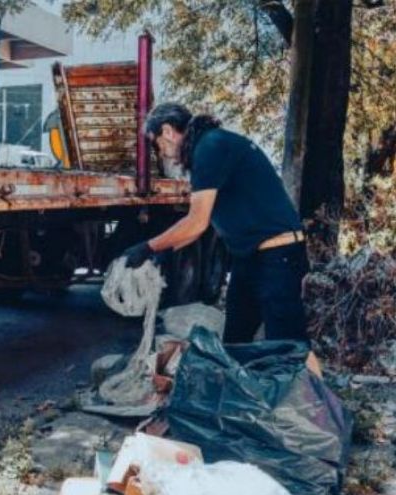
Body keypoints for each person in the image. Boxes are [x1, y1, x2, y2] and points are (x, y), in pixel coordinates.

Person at [123, 103, 309, 344]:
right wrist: (164, 254)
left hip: (277, 255)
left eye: (156, 144)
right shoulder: (209, 148)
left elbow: (196, 222)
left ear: (168, 131)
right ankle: (241, 380)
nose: (162, 154)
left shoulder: (210, 147)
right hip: (249, 258)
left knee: (290, 346)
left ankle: (314, 383)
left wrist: (148, 247)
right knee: (234, 340)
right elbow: (202, 225)